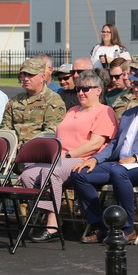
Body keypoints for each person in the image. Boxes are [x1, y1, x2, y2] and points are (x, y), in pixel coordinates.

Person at [70, 63, 138, 242]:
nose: (136, 88)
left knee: (118, 171)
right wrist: (95, 159)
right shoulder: (130, 113)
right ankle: (102, 225)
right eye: (136, 84)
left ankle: (127, 228)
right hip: (121, 165)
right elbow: (115, 144)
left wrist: (137, 157)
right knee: (79, 173)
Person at [22, 70, 117, 242]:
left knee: (50, 173)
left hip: (83, 160)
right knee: (28, 175)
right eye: (78, 89)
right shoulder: (72, 109)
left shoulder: (105, 111)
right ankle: (54, 214)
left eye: (86, 89)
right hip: (59, 157)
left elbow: (95, 144)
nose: (81, 92)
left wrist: (68, 154)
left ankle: (52, 226)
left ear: (98, 90)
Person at [1, 58, 66, 147]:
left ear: (42, 77)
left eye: (30, 75)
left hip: (38, 152)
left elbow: (50, 134)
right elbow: (5, 129)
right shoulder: (15, 101)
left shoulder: (53, 100)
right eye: (24, 75)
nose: (26, 78)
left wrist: (24, 148)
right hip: (12, 151)